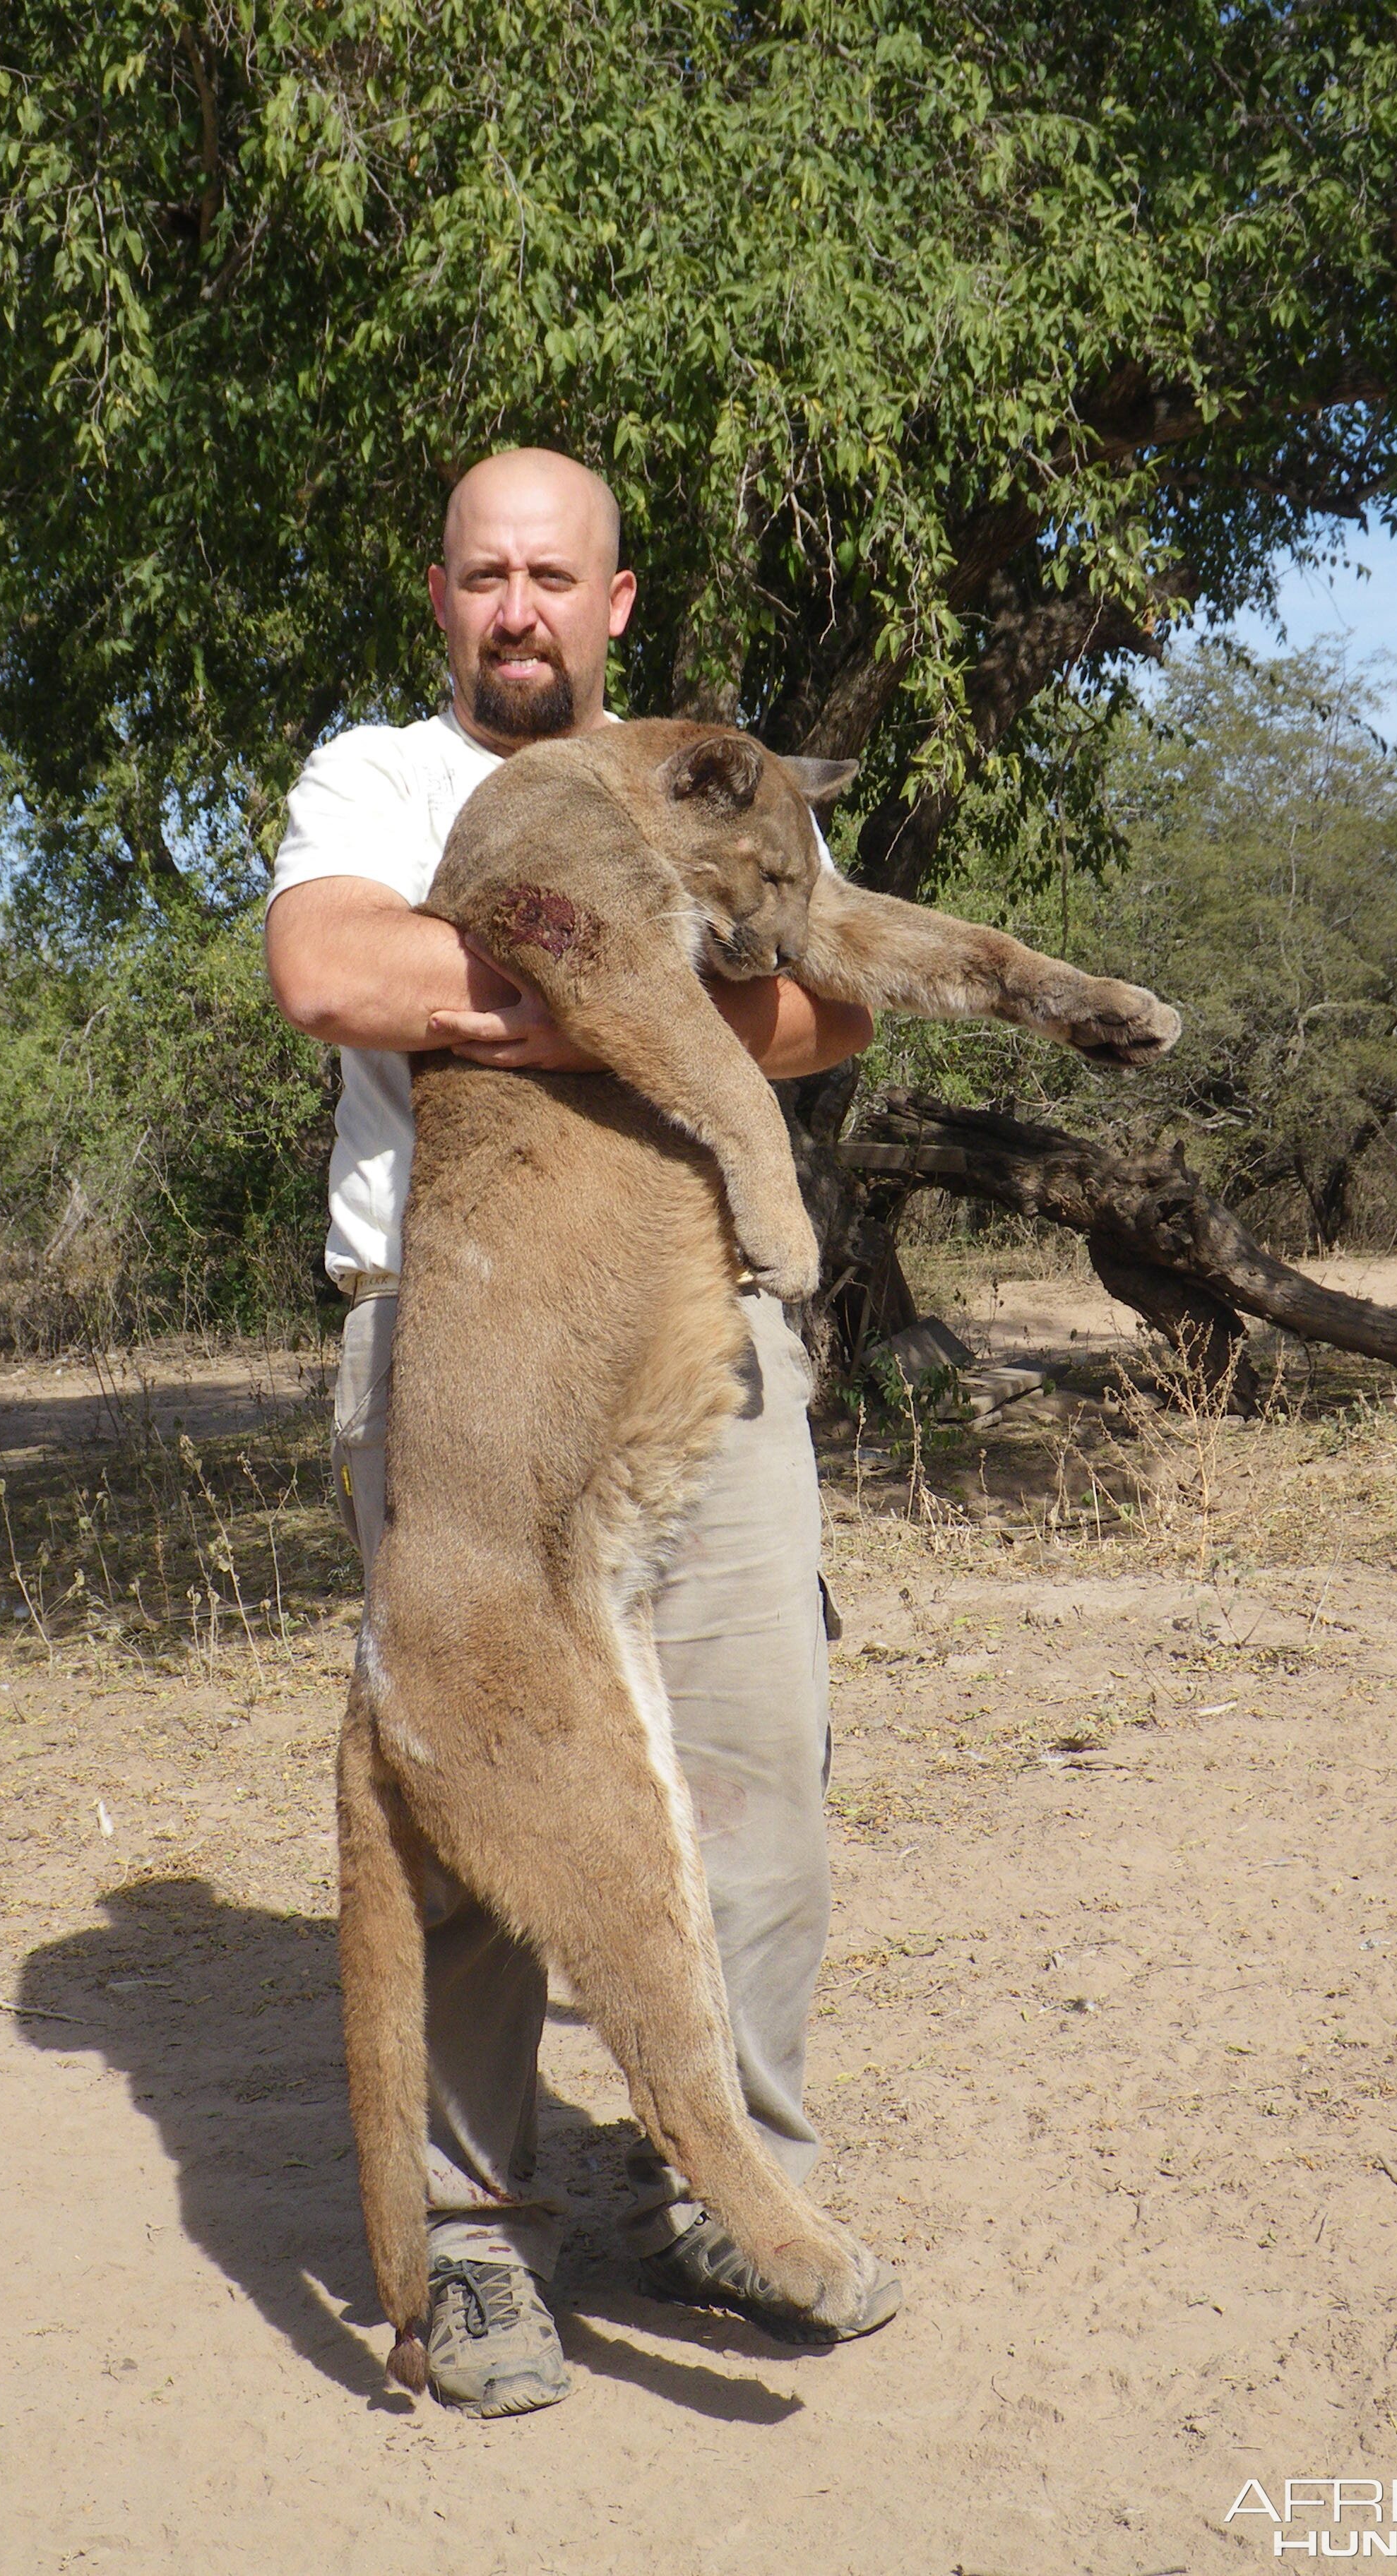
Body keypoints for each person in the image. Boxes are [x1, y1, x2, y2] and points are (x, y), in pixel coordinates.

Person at [265, 447, 899, 2416]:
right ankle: (476, 2246)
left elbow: (837, 1004)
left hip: (694, 1359)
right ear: (440, 596)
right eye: (486, 575)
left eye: (556, 575)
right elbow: (334, 969)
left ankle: (724, 2187)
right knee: (470, 1814)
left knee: (758, 1767)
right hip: (463, 1364)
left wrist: (581, 986)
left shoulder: (703, 779)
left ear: (619, 605)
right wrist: (634, 986)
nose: (519, 606)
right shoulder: (376, 781)